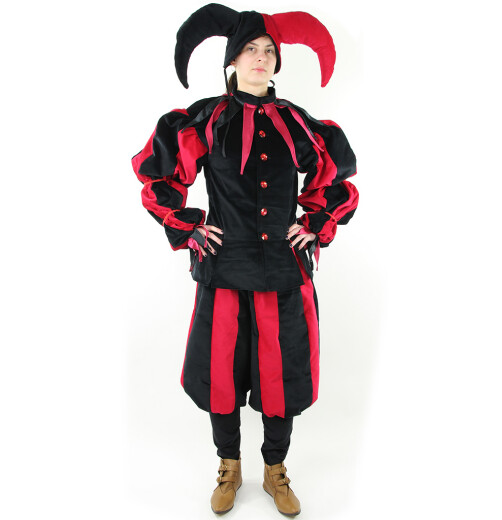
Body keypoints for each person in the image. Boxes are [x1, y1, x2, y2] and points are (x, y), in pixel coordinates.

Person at [131, 3, 359, 516]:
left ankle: (275, 469)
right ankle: (229, 466)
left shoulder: (296, 123)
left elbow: (335, 178)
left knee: (282, 377)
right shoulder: (207, 119)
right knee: (221, 374)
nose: (260, 58)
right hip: (224, 268)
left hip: (284, 270)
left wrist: (314, 223)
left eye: (269, 51)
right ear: (232, 59)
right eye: (250, 49)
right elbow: (158, 176)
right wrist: (189, 225)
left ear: (278, 62)